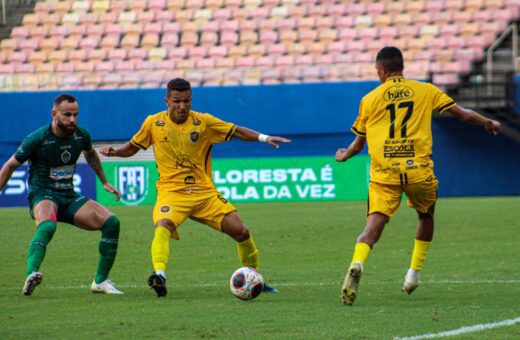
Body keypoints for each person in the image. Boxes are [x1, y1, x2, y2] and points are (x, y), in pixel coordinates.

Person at [335, 46, 501, 306]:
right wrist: (487, 122)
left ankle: (358, 261)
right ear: (401, 67)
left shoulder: (370, 98)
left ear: (382, 70)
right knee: (426, 214)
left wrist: (344, 155)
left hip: (384, 174)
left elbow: (358, 145)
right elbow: (463, 115)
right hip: (418, 170)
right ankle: (412, 275)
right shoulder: (426, 90)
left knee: (372, 227)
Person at [100, 78, 291, 297]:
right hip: (172, 193)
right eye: (177, 101)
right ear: (167, 101)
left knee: (242, 231)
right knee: (163, 225)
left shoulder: (204, 122)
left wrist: (264, 138)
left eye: (187, 101)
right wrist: (115, 152)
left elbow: (236, 131)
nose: (182, 106)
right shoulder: (153, 123)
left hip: (204, 194)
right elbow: (132, 147)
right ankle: (159, 276)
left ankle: (254, 277)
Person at [0, 94, 124, 296]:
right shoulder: (38, 138)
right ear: (54, 113)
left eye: (75, 115)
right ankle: (31, 274)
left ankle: (100, 282)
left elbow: (90, 153)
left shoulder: (81, 135)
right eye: (67, 115)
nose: (72, 120)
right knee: (48, 225)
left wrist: (104, 181)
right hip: (43, 194)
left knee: (112, 222)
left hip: (68, 195)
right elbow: (10, 165)